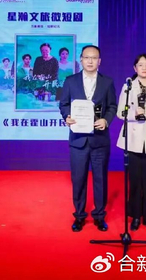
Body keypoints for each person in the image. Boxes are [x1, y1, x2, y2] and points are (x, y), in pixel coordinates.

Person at [59, 45, 117, 232]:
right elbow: (64, 104)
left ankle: (99, 216)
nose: (90, 61)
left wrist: (106, 120)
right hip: (78, 140)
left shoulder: (107, 82)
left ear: (100, 61)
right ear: (81, 60)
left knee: (100, 179)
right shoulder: (71, 81)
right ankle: (79, 216)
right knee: (78, 179)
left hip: (100, 140)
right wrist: (67, 116)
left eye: (94, 58)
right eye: (87, 57)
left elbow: (112, 106)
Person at [116, 54, 146, 231]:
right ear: (134, 68)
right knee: (135, 181)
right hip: (133, 139)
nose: (144, 68)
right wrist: (134, 114)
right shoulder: (128, 86)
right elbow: (120, 113)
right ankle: (136, 216)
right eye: (140, 65)